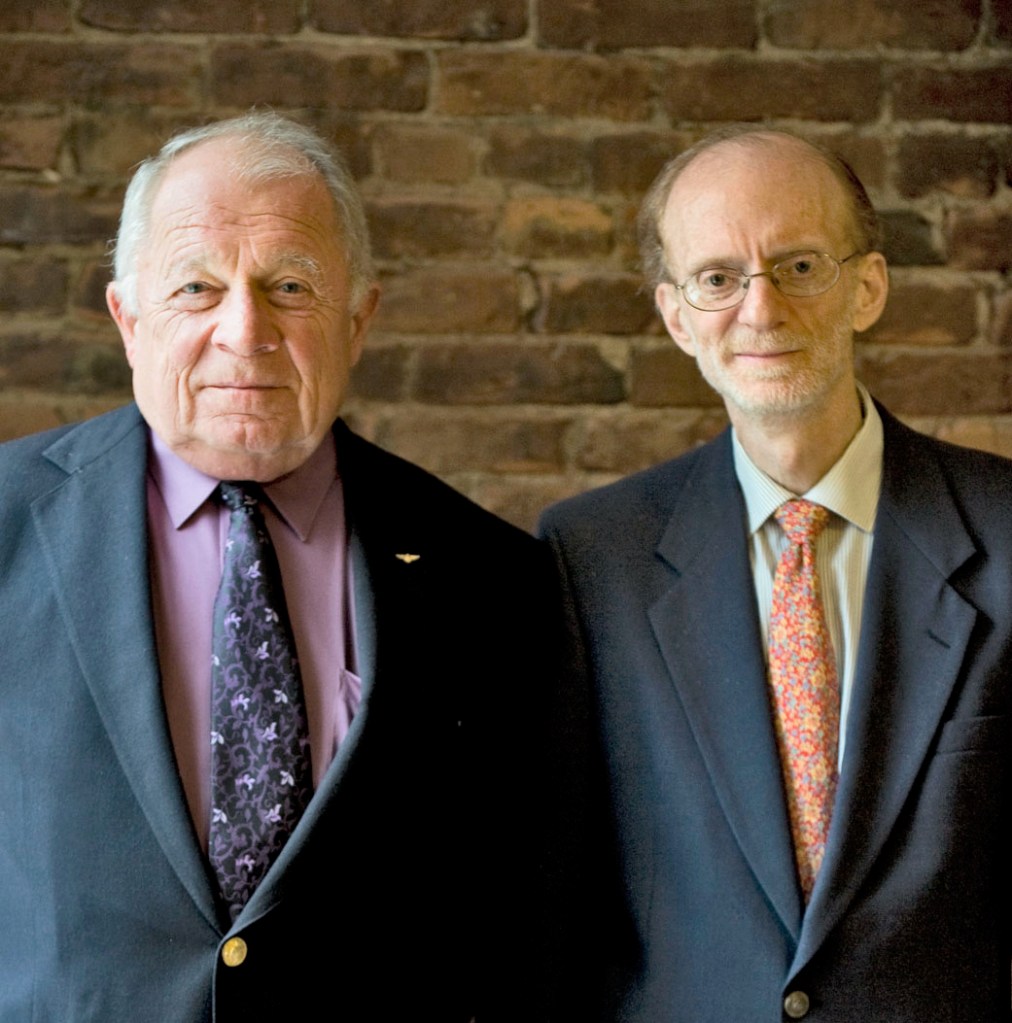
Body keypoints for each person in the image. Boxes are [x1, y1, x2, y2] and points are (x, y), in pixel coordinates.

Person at [0, 111, 556, 1021]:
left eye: (290, 286)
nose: (245, 329)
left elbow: (526, 922)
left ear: (358, 318)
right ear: (128, 319)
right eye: (197, 288)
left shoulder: (493, 575)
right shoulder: (6, 522)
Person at [539, 126, 1012, 1021]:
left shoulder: (1005, 532)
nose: (760, 309)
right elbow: (558, 902)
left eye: (799, 266)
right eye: (718, 278)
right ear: (677, 316)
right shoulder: (591, 558)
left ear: (868, 287)